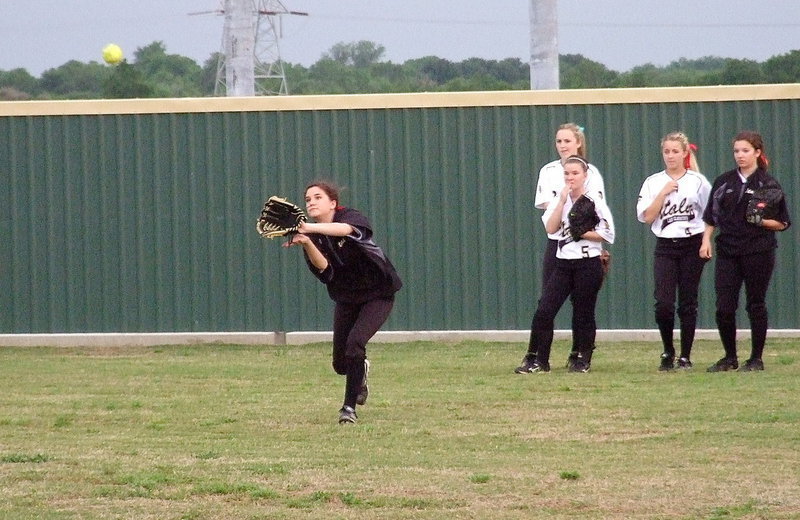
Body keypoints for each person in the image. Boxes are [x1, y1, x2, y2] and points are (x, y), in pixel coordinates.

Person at [283, 181, 402, 423]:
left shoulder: (349, 217)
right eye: (308, 199)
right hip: (347, 298)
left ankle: (348, 409)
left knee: (355, 344)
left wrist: (307, 228)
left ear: (333, 203)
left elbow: (348, 230)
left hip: (378, 293)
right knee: (340, 364)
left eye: (317, 197)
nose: (311, 202)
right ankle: (361, 371)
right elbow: (326, 272)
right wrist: (306, 242)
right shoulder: (312, 236)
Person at [516, 123, 607, 373]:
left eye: (567, 141)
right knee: (547, 301)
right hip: (558, 241)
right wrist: (563, 206)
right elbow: (548, 206)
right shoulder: (549, 171)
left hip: (583, 244)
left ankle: (580, 353)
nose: (563, 146)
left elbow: (595, 210)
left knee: (583, 302)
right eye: (559, 141)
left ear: (578, 143)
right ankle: (537, 355)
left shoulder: (591, 172)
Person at [700, 131, 791, 372]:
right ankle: (729, 357)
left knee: (755, 304)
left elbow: (782, 223)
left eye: (745, 151)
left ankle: (756, 359)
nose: (740, 155)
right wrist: (706, 240)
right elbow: (711, 216)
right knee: (724, 306)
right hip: (728, 250)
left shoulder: (768, 184)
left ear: (757, 153)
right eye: (736, 151)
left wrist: (760, 221)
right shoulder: (724, 182)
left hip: (758, 251)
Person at [636, 132, 711, 371]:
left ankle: (685, 355)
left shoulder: (697, 181)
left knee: (688, 302)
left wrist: (706, 240)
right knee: (664, 304)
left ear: (684, 153)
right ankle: (668, 350)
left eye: (675, 151)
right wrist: (663, 193)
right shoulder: (653, 181)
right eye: (666, 151)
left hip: (691, 243)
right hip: (666, 246)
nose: (670, 155)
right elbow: (647, 217)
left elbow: (711, 215)